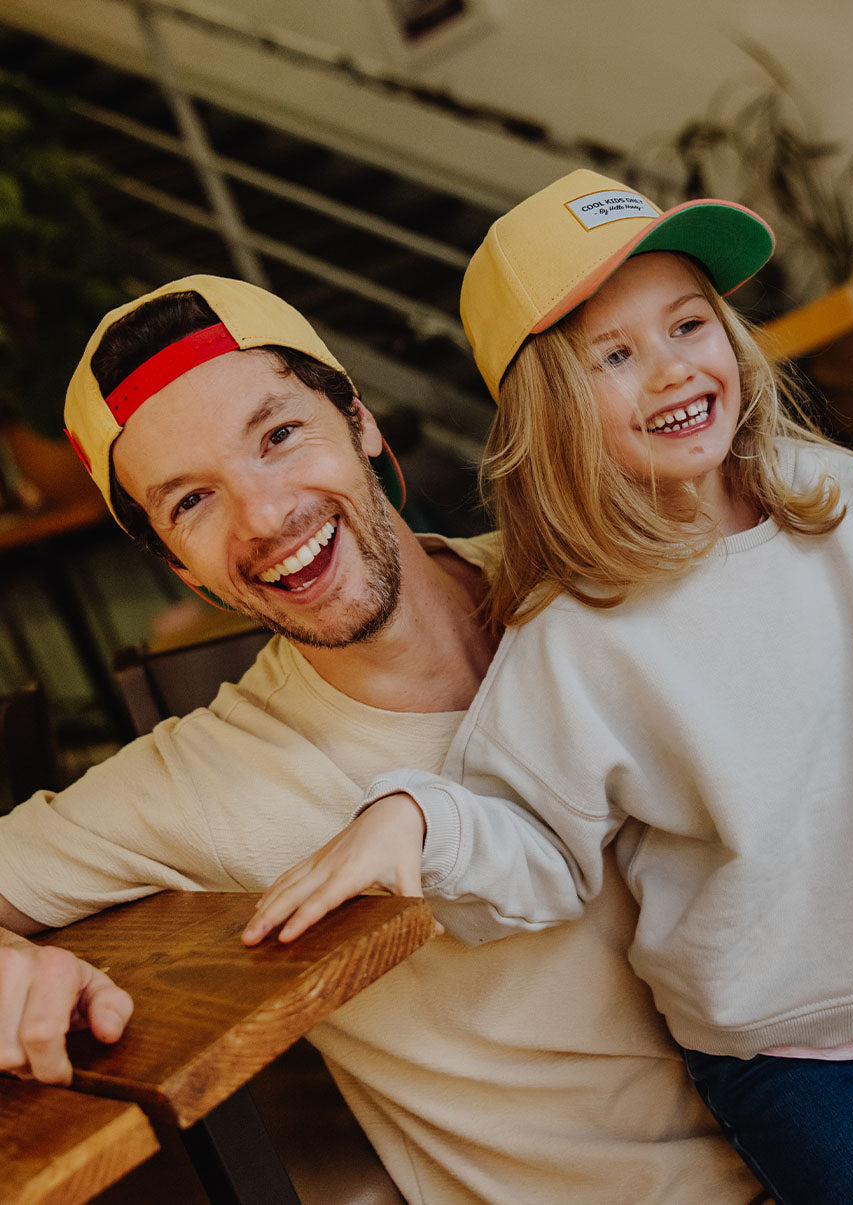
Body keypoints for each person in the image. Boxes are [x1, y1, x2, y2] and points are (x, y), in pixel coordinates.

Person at [246, 170, 853, 1204]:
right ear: (549, 409)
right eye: (614, 355)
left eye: (689, 323)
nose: (670, 370)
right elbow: (526, 831)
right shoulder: (570, 635)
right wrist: (418, 821)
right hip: (778, 1060)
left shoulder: (847, 502)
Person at [0, 273, 766, 1204]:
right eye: (191, 502)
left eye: (279, 435)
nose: (266, 514)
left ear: (359, 420)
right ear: (176, 565)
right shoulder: (207, 775)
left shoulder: (595, 578)